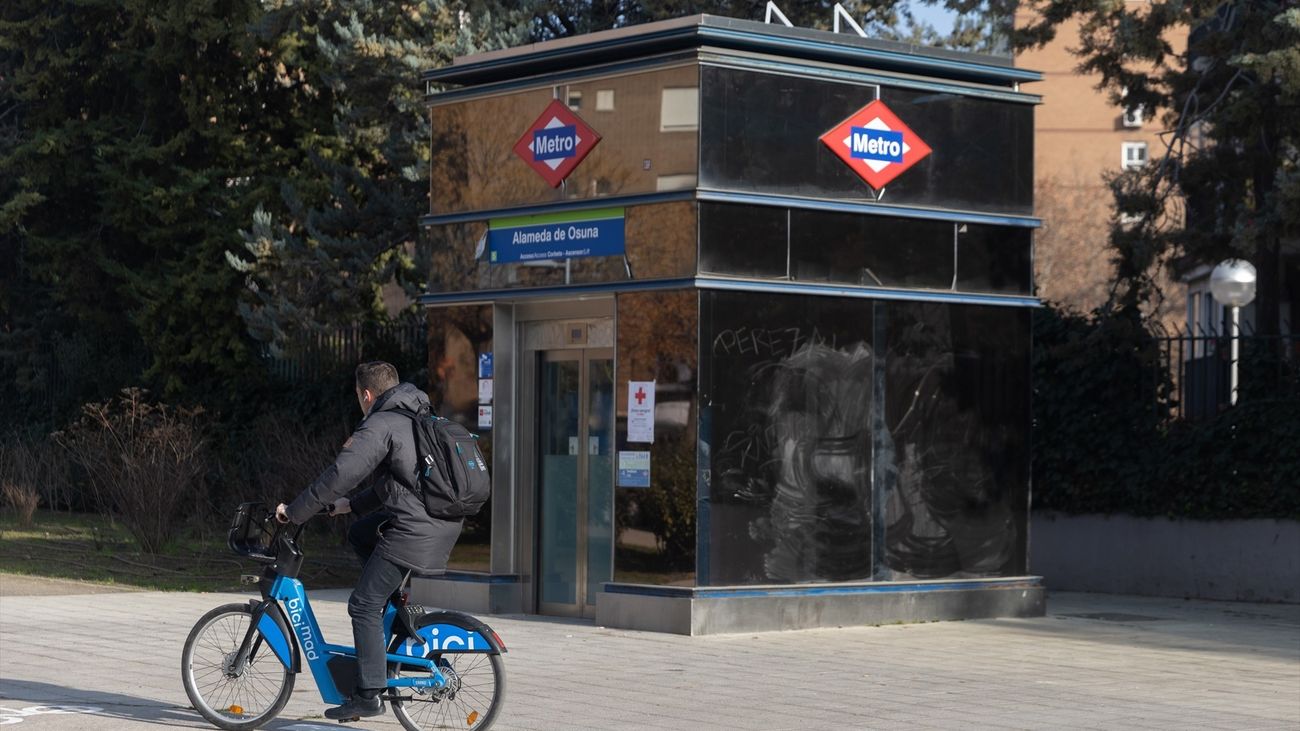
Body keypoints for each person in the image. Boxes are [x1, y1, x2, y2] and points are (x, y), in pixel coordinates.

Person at [276, 361, 462, 721]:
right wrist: (351, 506)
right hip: (435, 523)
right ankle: (396, 610)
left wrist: (294, 512)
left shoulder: (380, 423)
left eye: (358, 398)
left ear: (366, 394)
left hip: (415, 530)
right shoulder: (413, 416)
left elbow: (340, 474)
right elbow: (398, 483)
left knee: (362, 605)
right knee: (360, 532)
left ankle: (368, 694)